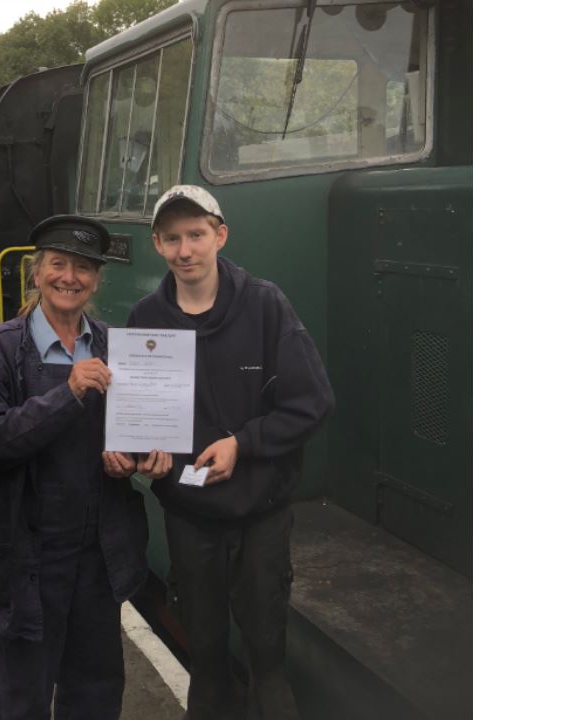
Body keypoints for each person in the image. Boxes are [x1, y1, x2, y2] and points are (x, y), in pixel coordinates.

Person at [102, 186, 334, 720]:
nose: (186, 250)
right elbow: (143, 419)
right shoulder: (147, 317)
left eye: (197, 235)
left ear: (219, 236)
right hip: (190, 518)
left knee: (267, 661)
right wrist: (144, 455)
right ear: (158, 244)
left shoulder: (265, 305)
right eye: (174, 238)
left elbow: (313, 402)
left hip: (261, 514)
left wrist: (242, 444)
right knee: (205, 659)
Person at [0, 215, 157, 720]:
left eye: (83, 268)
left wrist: (130, 459)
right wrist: (67, 394)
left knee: (97, 691)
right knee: (22, 696)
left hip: (95, 555)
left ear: (96, 279)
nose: (70, 277)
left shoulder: (113, 345)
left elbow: (126, 432)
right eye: (58, 265)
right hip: (24, 559)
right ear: (37, 274)